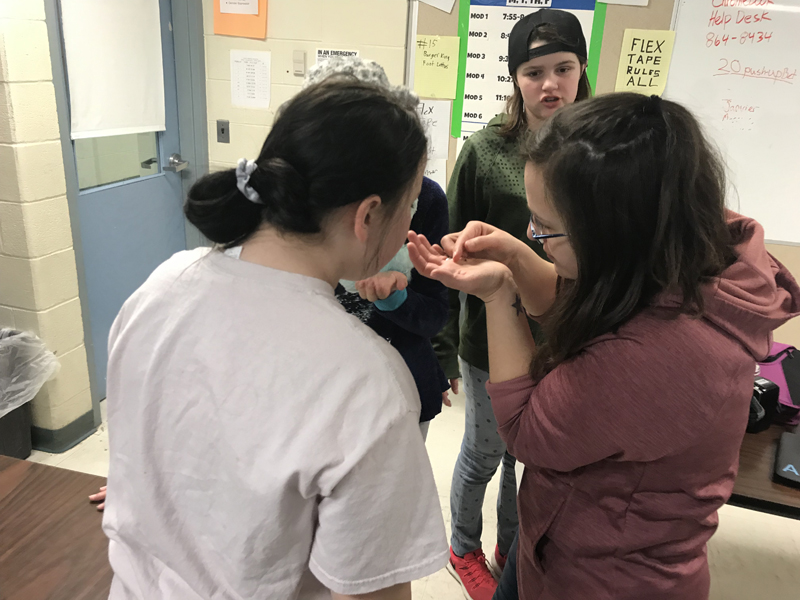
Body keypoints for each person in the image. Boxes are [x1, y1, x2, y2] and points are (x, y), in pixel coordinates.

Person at [409, 92, 800, 599]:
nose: (533, 236)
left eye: (545, 230)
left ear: (612, 234)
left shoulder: (656, 355)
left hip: (601, 578)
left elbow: (525, 431)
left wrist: (499, 292)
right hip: (555, 540)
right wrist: (515, 255)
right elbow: (587, 302)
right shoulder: (675, 252)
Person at [101, 78, 449, 600]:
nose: (411, 223)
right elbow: (370, 589)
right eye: (411, 205)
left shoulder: (164, 285)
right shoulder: (366, 381)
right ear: (368, 215)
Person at [433, 9, 591, 599]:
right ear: (515, 78)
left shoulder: (595, 152)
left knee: (533, 456)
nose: (550, 84)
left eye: (563, 68)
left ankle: (511, 541)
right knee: (484, 449)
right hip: (489, 336)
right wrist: (442, 350)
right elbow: (450, 253)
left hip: (569, 334)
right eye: (533, 71)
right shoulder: (485, 150)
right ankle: (462, 546)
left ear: (580, 71)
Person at [307, 58, 451, 440]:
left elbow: (437, 311)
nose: (410, 214)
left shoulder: (428, 202)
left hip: (401, 389)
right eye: (407, 203)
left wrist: (397, 298)